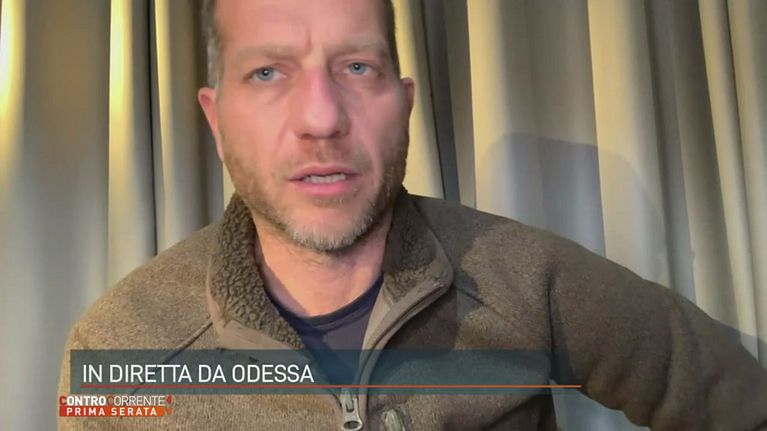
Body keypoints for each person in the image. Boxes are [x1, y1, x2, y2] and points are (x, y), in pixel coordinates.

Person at [59, 0, 767, 429]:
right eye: (268, 72)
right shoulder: (117, 347)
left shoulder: (527, 277)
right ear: (218, 122)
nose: (321, 119)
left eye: (356, 67)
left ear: (403, 106)